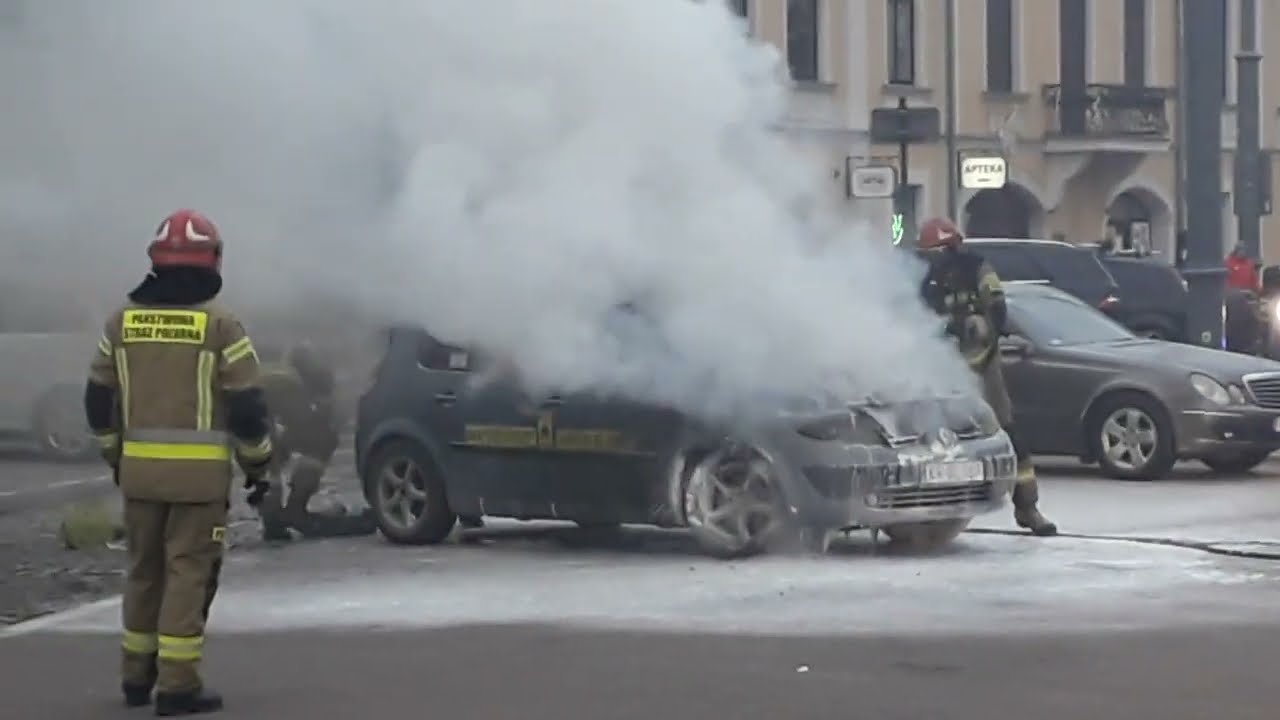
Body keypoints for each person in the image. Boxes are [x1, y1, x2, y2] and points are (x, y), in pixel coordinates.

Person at [84, 208, 275, 715]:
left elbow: (98, 400)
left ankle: (135, 677)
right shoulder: (221, 326)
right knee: (188, 575)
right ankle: (178, 685)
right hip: (199, 483)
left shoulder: (121, 322)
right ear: (212, 260)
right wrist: (258, 468)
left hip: (139, 477)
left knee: (143, 572)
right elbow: (249, 410)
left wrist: (115, 455)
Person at [916, 217, 1058, 537]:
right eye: (930, 253)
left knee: (1007, 431)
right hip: (940, 370)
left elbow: (997, 306)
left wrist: (984, 325)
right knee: (936, 440)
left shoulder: (977, 269)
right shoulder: (923, 282)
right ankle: (933, 513)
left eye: (939, 251)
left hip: (981, 364)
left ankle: (1028, 507)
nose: (935, 259)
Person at [256, 340, 376, 540]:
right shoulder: (287, 383)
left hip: (226, 416)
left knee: (268, 457)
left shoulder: (270, 373)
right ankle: (294, 508)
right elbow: (307, 430)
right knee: (321, 440)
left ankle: (273, 520)